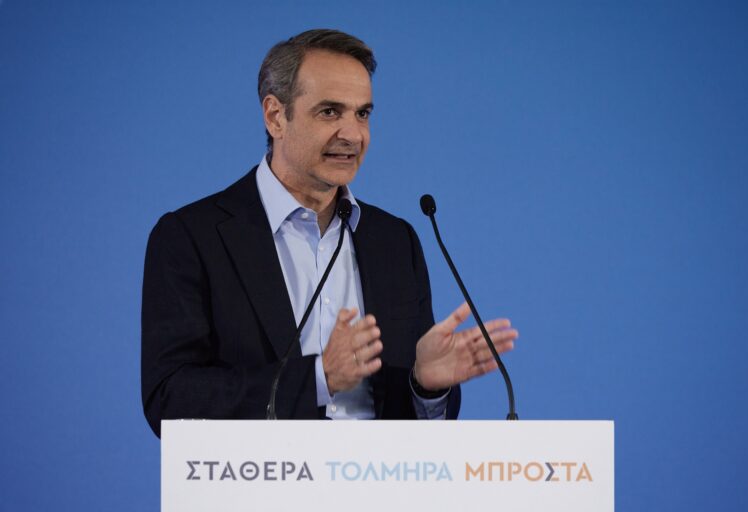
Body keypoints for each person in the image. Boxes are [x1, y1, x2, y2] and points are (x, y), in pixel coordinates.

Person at [141, 29, 517, 437]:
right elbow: (169, 400)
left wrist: (425, 385)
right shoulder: (192, 238)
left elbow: (411, 425)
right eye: (330, 112)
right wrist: (318, 379)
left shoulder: (395, 242)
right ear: (275, 116)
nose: (353, 134)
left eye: (363, 114)